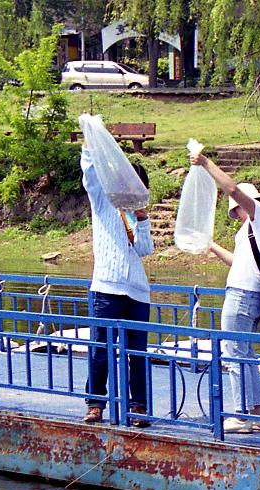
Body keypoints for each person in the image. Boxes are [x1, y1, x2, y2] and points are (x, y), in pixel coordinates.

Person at [189, 152, 260, 434]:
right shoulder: (254, 228)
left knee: (234, 354)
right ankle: (255, 414)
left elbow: (231, 189)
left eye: (237, 209)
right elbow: (239, 262)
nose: (236, 213)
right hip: (249, 294)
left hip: (242, 296)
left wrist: (205, 163)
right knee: (245, 354)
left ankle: (240, 415)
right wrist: (212, 246)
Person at [81, 146, 154, 428]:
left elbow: (145, 250)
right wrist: (90, 143)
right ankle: (95, 403)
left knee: (137, 352)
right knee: (101, 348)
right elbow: (90, 174)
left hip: (137, 291)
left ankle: (139, 406)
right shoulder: (103, 202)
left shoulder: (139, 216)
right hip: (107, 286)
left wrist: (144, 218)